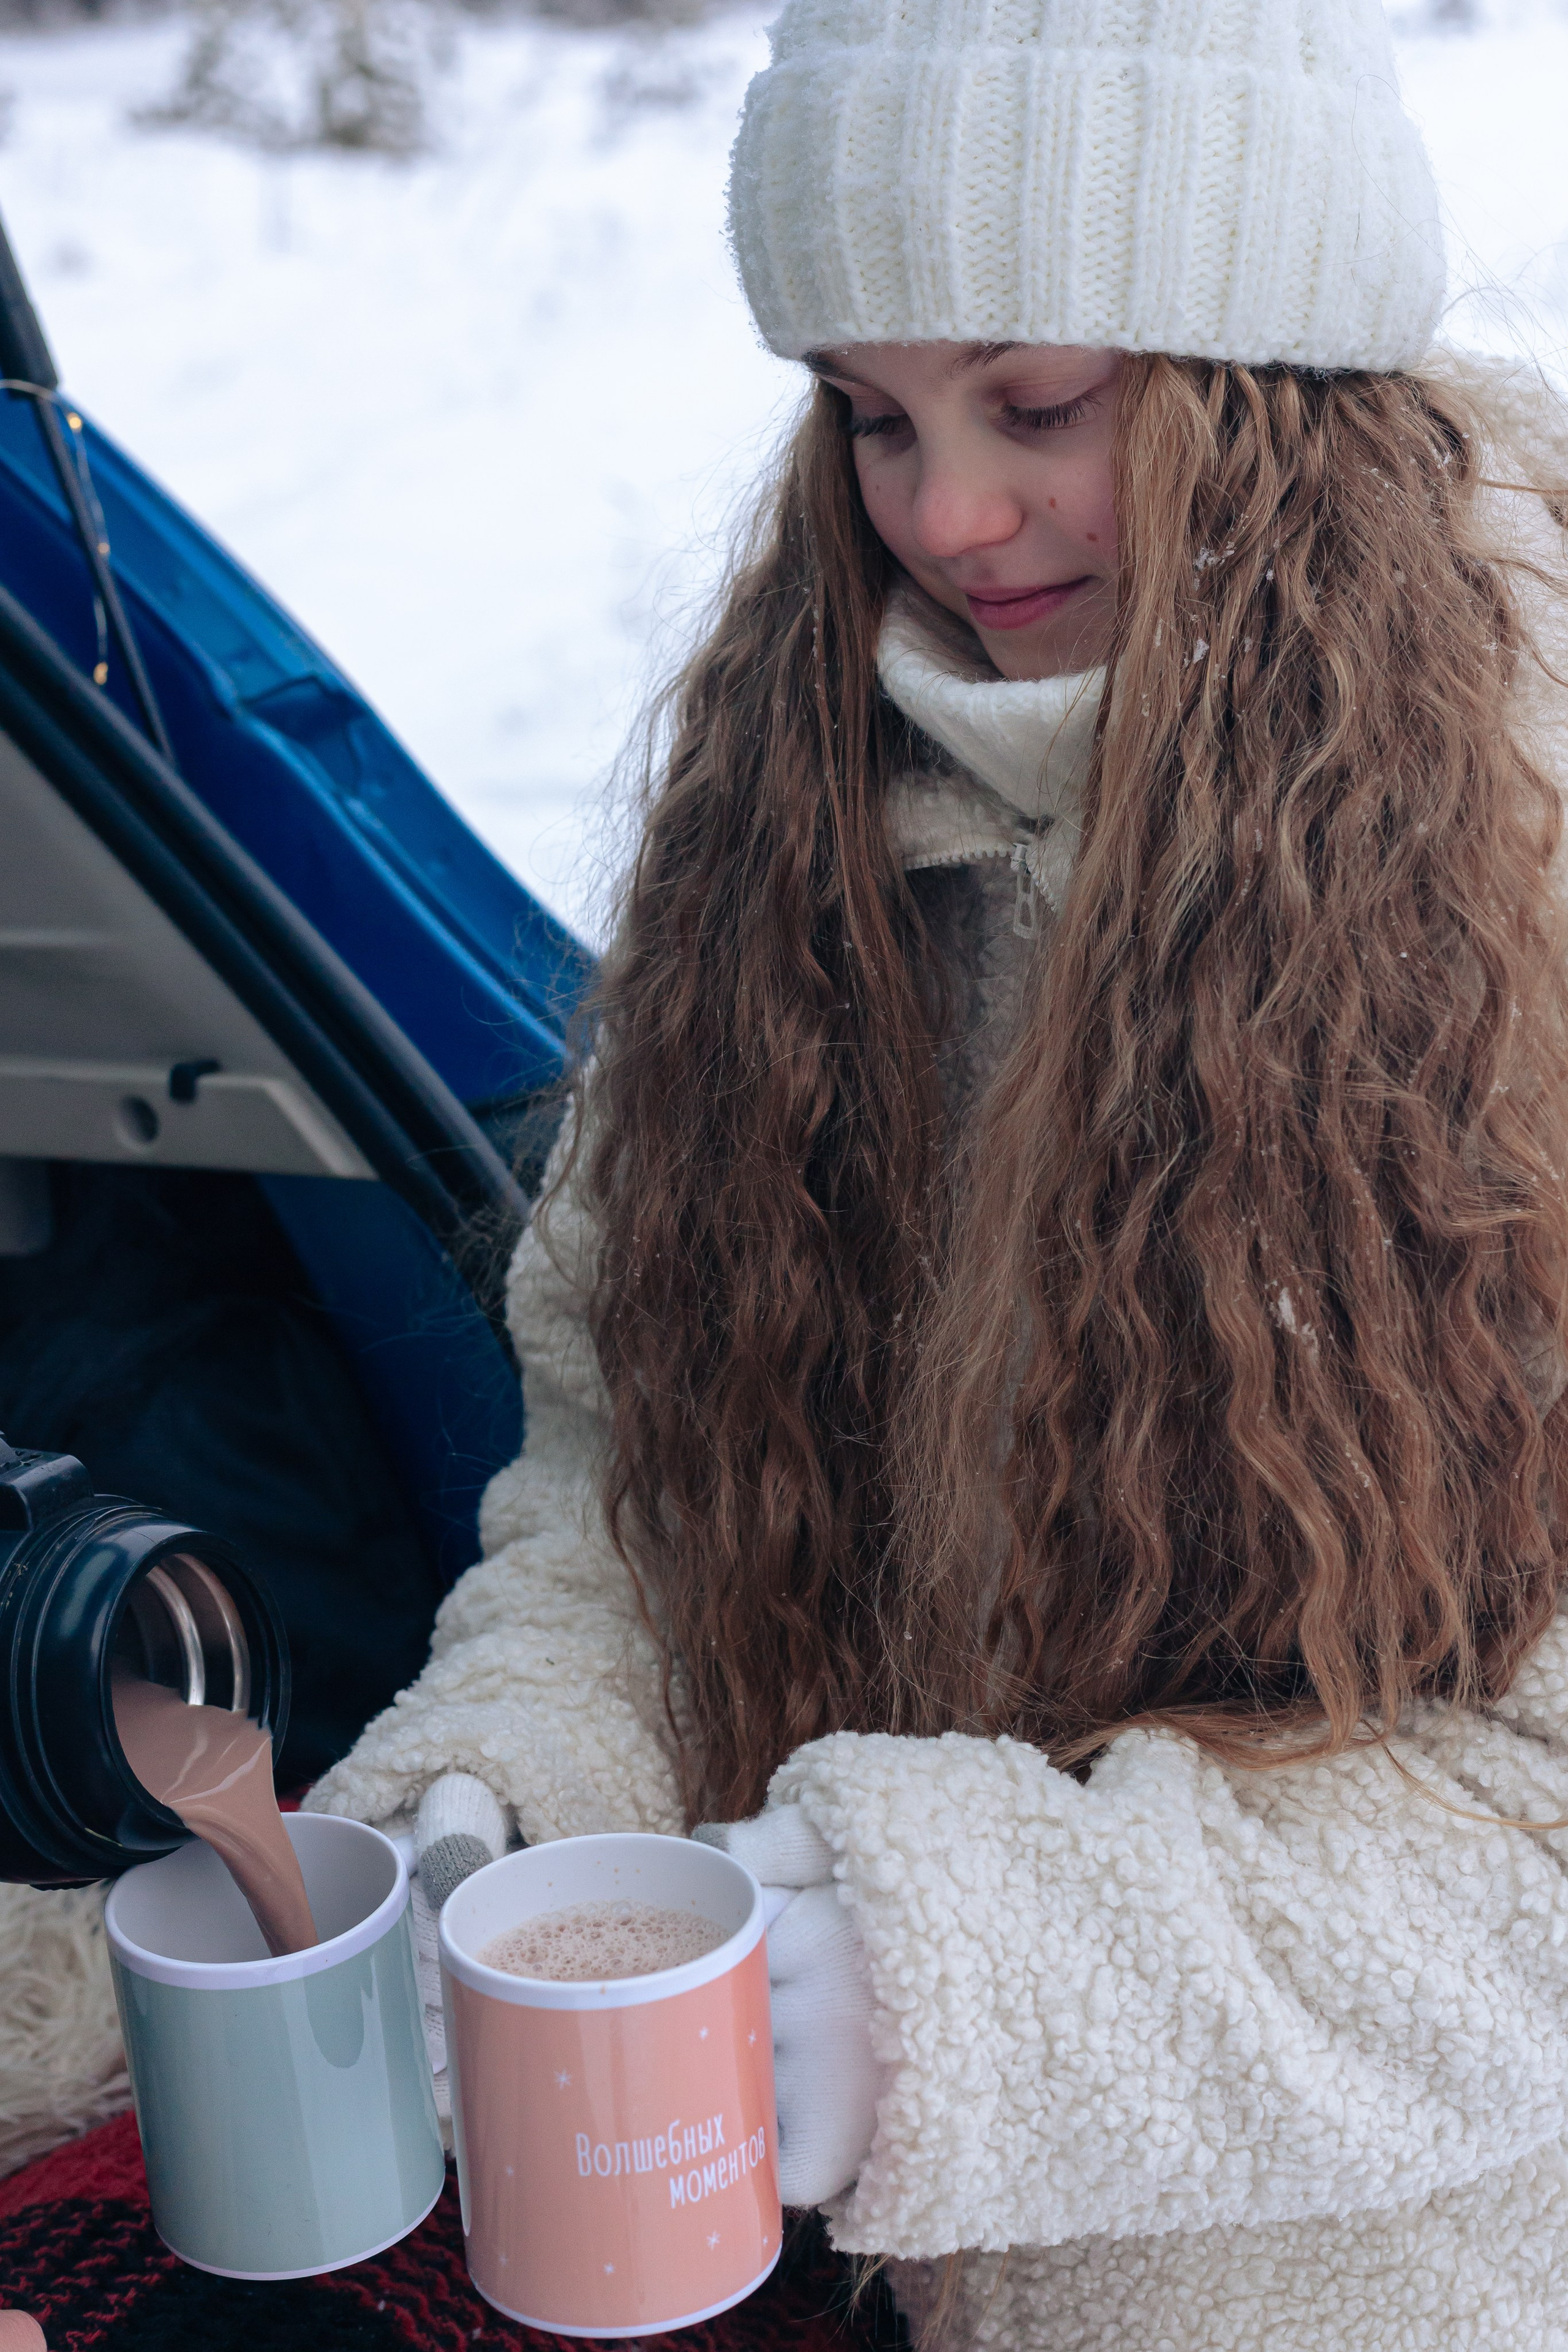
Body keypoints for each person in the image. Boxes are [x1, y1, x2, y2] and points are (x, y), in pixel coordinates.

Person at [307, 0, 1568, 2339]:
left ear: (1267, 375)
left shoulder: (1525, 879)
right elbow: (629, 1485)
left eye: (1042, 405)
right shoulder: (803, 844)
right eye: (871, 417)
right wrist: (517, 1796)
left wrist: (927, 1982)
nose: (944, 515)